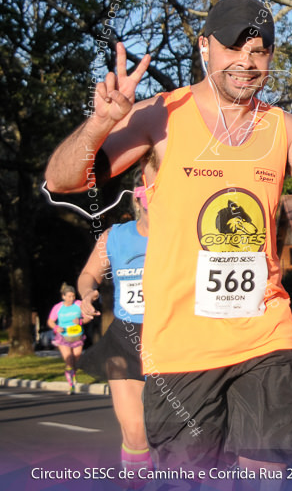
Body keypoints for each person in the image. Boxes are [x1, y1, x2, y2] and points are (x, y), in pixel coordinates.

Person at [44, 0, 292, 474]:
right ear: (205, 47)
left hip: (264, 333)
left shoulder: (281, 127)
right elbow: (62, 181)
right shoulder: (161, 114)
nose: (246, 61)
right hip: (180, 346)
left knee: (267, 476)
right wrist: (99, 123)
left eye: (259, 51)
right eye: (234, 47)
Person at [78, 173, 153, 478]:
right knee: (135, 430)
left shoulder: (187, 233)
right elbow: (88, 275)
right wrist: (86, 295)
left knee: (176, 431)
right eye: (149, 187)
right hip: (126, 338)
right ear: (137, 197)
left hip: (175, 338)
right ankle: (135, 482)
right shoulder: (114, 237)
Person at [48, 283, 89, 394]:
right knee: (69, 359)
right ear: (63, 296)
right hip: (63, 337)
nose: (72, 298)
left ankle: (73, 375)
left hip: (77, 336)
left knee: (77, 359)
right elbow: (50, 321)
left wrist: (80, 321)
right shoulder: (58, 307)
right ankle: (71, 385)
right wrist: (56, 328)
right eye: (69, 296)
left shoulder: (79, 304)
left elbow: (87, 318)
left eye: (73, 296)